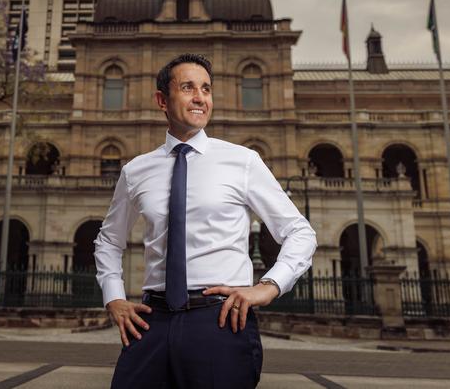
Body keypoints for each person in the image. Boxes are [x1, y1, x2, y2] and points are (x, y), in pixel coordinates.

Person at [94, 53, 317, 388]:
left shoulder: (242, 161)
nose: (200, 97)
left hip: (220, 322)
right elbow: (109, 240)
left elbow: (300, 231)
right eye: (187, 88)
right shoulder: (136, 170)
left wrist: (267, 288)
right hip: (151, 322)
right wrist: (113, 297)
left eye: (206, 89)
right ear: (162, 100)